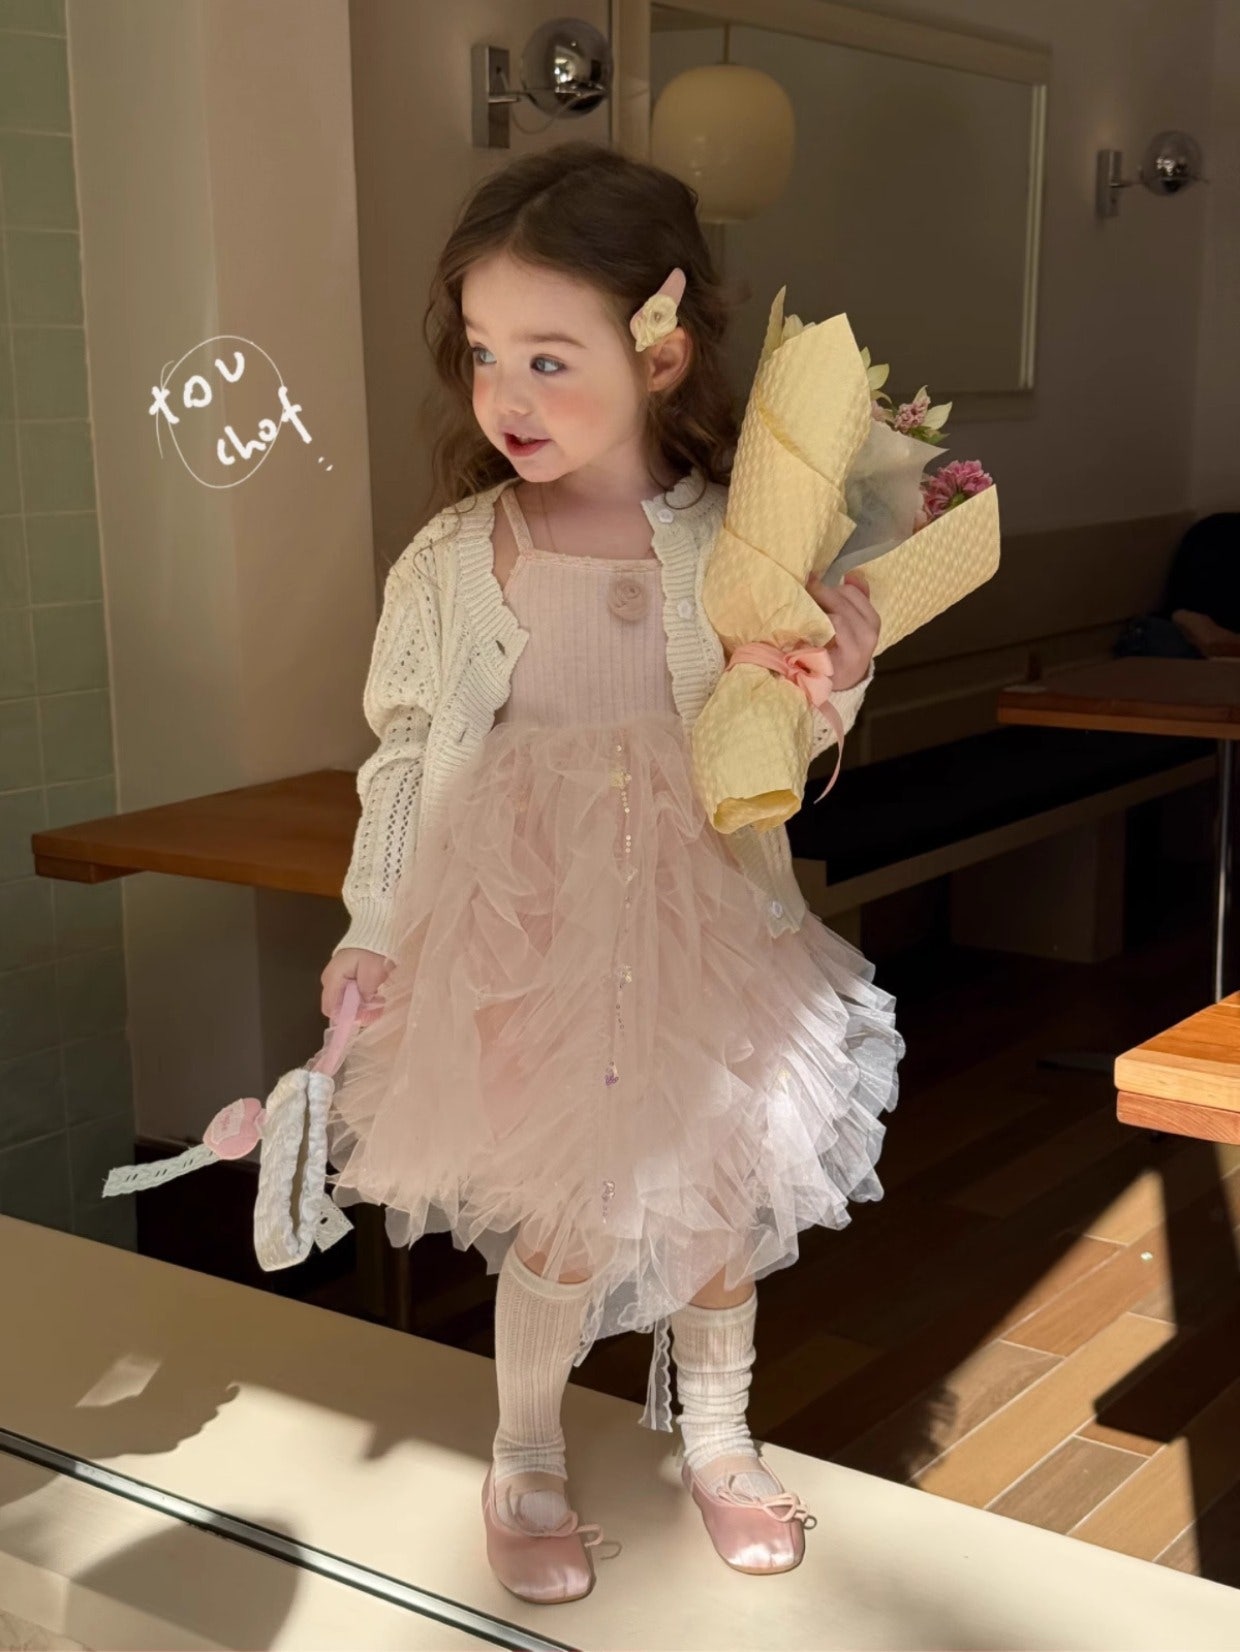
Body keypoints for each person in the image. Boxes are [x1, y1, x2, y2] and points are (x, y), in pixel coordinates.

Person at [318, 141, 903, 1606]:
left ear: (660, 352)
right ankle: (524, 1449)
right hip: (532, 929)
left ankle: (719, 1434)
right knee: (566, 1210)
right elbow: (409, 752)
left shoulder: (738, 541)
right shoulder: (461, 557)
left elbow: (770, 737)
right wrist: (373, 923)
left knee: (720, 1200)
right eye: (482, 353)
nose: (504, 395)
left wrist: (837, 676)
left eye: (546, 357)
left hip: (710, 924)